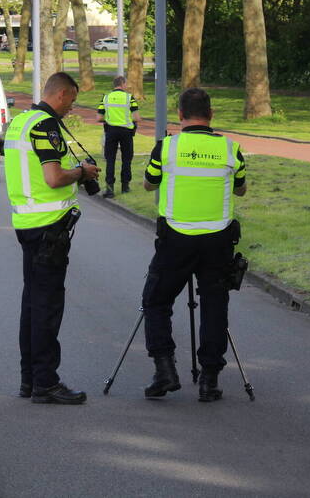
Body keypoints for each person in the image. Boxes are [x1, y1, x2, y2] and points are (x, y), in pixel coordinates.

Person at [140, 87, 247, 402]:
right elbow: (241, 190)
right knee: (214, 306)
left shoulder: (166, 148)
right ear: (211, 114)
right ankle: (209, 380)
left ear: (180, 115)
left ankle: (164, 369)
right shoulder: (230, 148)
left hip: (176, 238)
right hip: (218, 240)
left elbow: (149, 184)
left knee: (156, 301)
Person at [4, 71, 100, 404]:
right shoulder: (45, 126)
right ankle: (46, 381)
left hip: (27, 224)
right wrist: (82, 173)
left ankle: (29, 380)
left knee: (31, 304)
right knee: (47, 307)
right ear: (60, 94)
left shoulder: (19, 122)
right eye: (72, 101)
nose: (71, 109)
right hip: (49, 228)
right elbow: (54, 177)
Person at [97, 76, 140, 198]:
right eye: (126, 84)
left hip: (110, 131)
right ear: (123, 84)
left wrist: (110, 119)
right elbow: (137, 118)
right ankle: (125, 187)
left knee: (110, 160)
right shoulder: (129, 98)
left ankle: (109, 189)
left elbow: (99, 118)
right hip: (126, 132)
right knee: (126, 160)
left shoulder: (106, 98)